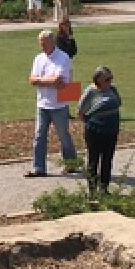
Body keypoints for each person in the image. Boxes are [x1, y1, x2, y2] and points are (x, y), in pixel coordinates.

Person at [26, 29, 78, 177]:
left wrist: (41, 81)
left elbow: (61, 82)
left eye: (45, 43)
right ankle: (39, 168)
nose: (42, 47)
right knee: (39, 136)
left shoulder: (63, 58)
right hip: (42, 104)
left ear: (52, 42)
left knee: (64, 136)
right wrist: (49, 81)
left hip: (59, 105)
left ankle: (71, 164)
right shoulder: (38, 58)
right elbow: (32, 80)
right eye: (40, 44)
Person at [78, 66, 121, 192]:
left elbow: (118, 104)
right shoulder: (90, 92)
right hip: (95, 132)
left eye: (111, 78)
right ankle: (92, 191)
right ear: (98, 81)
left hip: (111, 131)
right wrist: (91, 123)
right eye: (107, 79)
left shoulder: (113, 89)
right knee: (93, 161)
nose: (110, 82)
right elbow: (81, 112)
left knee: (107, 160)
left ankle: (104, 189)